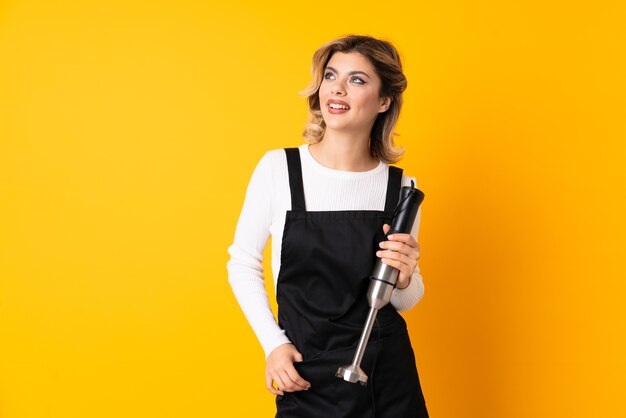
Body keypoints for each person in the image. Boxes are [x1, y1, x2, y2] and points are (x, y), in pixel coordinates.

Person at [227, 34, 429, 417]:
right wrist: (274, 345)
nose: (337, 88)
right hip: (306, 367)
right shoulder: (278, 169)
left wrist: (404, 277)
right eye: (331, 75)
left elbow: (406, 299)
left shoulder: (402, 188)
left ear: (384, 101)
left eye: (357, 80)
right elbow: (242, 263)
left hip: (385, 375)